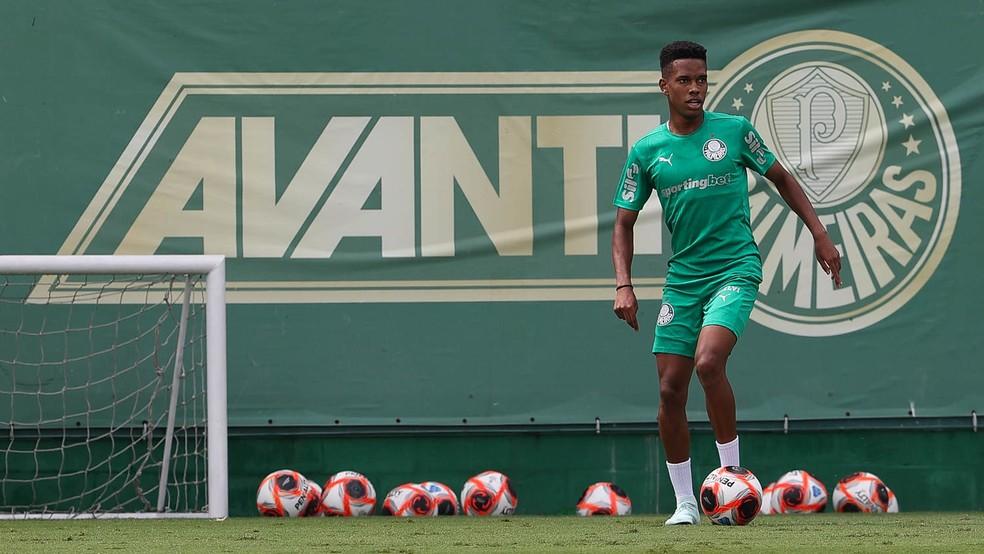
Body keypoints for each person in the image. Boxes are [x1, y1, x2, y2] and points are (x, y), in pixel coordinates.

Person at [610, 40, 841, 525]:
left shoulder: (735, 132)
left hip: (735, 268)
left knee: (708, 363)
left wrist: (819, 234)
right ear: (663, 85)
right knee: (671, 391)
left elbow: (783, 179)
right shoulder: (648, 150)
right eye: (684, 80)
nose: (695, 89)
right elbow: (623, 224)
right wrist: (623, 284)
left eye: (702, 80)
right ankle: (686, 504)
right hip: (683, 280)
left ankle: (731, 476)